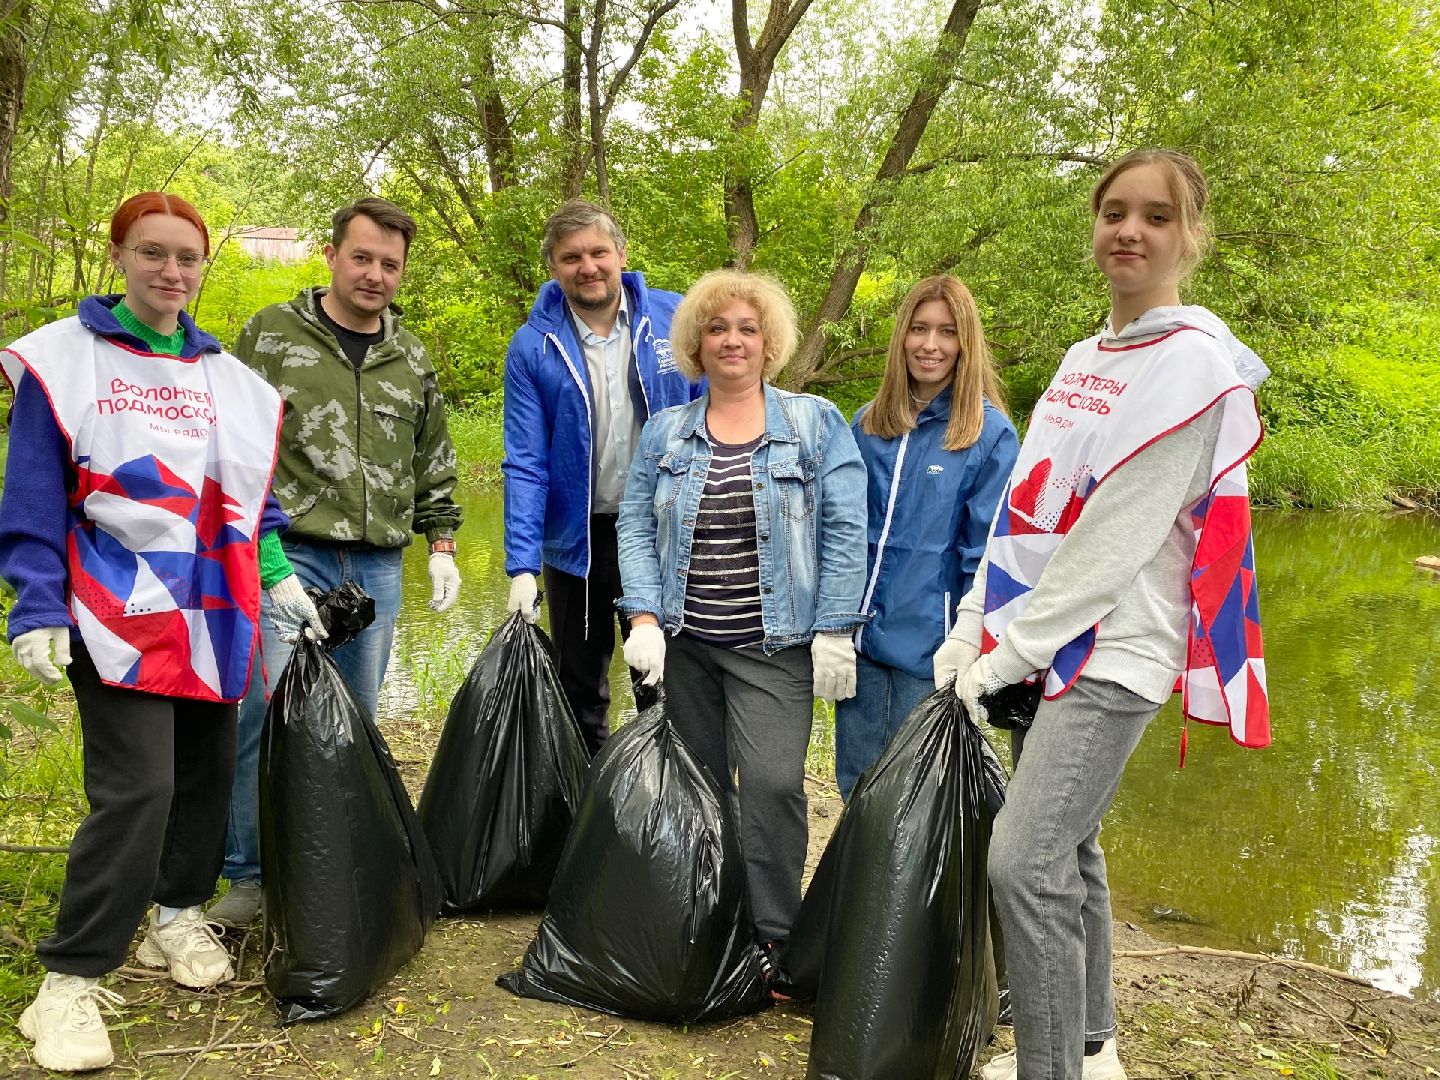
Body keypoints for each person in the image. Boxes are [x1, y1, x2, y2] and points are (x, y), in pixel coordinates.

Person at [934, 149, 1271, 1080]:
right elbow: (1025, 508)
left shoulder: (1193, 368)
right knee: (1069, 846)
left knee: (1023, 861)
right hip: (1038, 641)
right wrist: (973, 625)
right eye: (1115, 211)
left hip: (1114, 651)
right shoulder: (1089, 356)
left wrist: (1006, 656)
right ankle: (1092, 1047)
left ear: (1190, 236)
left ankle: (1052, 1073)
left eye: (1156, 216)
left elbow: (1115, 540)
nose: (1131, 230)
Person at [0, 192, 322, 1072]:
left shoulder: (224, 374)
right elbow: (31, 495)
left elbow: (245, 490)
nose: (171, 271)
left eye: (187, 256)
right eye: (152, 253)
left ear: (204, 266)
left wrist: (281, 574)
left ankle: (175, 915)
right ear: (119, 256)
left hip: (215, 608)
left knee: (207, 777)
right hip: (112, 609)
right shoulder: (67, 362)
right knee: (137, 788)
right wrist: (33, 604)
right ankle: (66, 979)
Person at [207, 196, 463, 929]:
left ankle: (340, 865)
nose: (375, 274)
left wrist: (442, 544)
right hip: (288, 559)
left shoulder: (409, 356)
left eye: (390, 264)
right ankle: (250, 875)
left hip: (375, 566)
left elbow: (433, 460)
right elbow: (232, 453)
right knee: (263, 711)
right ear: (331, 255)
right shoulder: (269, 337)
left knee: (354, 721)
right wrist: (264, 559)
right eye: (362, 257)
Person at [615, 269, 866, 984]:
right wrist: (643, 616)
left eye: (746, 329)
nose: (732, 340)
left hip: (774, 650)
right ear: (697, 344)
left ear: (769, 342)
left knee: (772, 786)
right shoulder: (666, 431)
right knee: (694, 786)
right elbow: (635, 524)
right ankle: (707, 916)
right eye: (717, 329)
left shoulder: (814, 423)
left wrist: (835, 628)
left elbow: (847, 528)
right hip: (686, 645)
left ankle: (776, 938)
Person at [501, 199, 698, 755]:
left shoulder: (674, 318)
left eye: (597, 252)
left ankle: (671, 816)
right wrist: (520, 564)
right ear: (554, 267)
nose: (587, 266)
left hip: (662, 537)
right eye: (571, 257)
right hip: (576, 545)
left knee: (666, 688)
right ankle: (590, 814)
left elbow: (715, 413)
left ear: (621, 255)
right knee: (579, 693)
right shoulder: (531, 346)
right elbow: (525, 461)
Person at [834, 275, 1018, 799]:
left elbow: (985, 554)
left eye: (946, 331)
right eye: (919, 329)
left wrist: (972, 643)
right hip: (859, 644)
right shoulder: (868, 423)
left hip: (932, 651)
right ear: (902, 337)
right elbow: (841, 533)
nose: (930, 345)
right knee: (858, 784)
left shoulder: (990, 433)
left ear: (965, 343)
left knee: (915, 794)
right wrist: (831, 629)